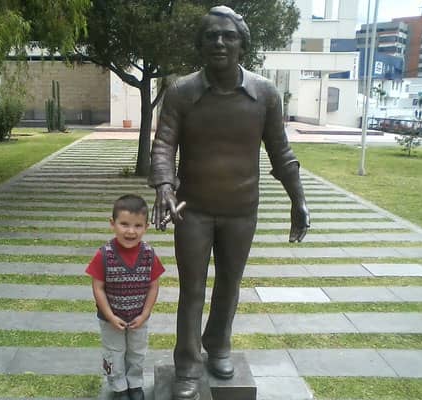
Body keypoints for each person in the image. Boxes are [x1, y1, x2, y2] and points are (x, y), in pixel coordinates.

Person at [149, 5, 310, 400]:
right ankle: (187, 364)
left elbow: (281, 152)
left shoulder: (264, 94)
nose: (219, 42)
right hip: (191, 209)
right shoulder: (181, 92)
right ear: (200, 44)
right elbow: (164, 143)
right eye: (211, 36)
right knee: (191, 289)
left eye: (228, 35)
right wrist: (164, 185)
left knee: (229, 284)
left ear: (242, 44)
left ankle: (219, 346)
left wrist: (298, 200)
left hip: (241, 209)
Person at [86, 194, 165, 400]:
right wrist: (110, 316)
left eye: (138, 225)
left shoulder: (149, 254)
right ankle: (118, 386)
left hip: (139, 318)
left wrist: (145, 314)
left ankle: (135, 384)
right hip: (111, 319)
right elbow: (98, 287)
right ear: (112, 224)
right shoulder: (104, 254)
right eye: (124, 224)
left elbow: (153, 286)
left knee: (137, 352)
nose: (131, 231)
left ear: (146, 227)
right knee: (114, 352)